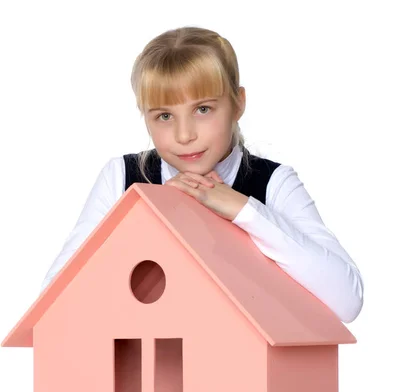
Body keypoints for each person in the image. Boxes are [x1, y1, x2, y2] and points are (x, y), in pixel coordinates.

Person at [40, 26, 364, 323]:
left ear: (238, 104)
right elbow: (52, 303)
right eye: (164, 115)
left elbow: (347, 302)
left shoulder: (274, 183)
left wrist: (244, 210)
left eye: (203, 109)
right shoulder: (122, 179)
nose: (184, 135)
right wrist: (158, 213)